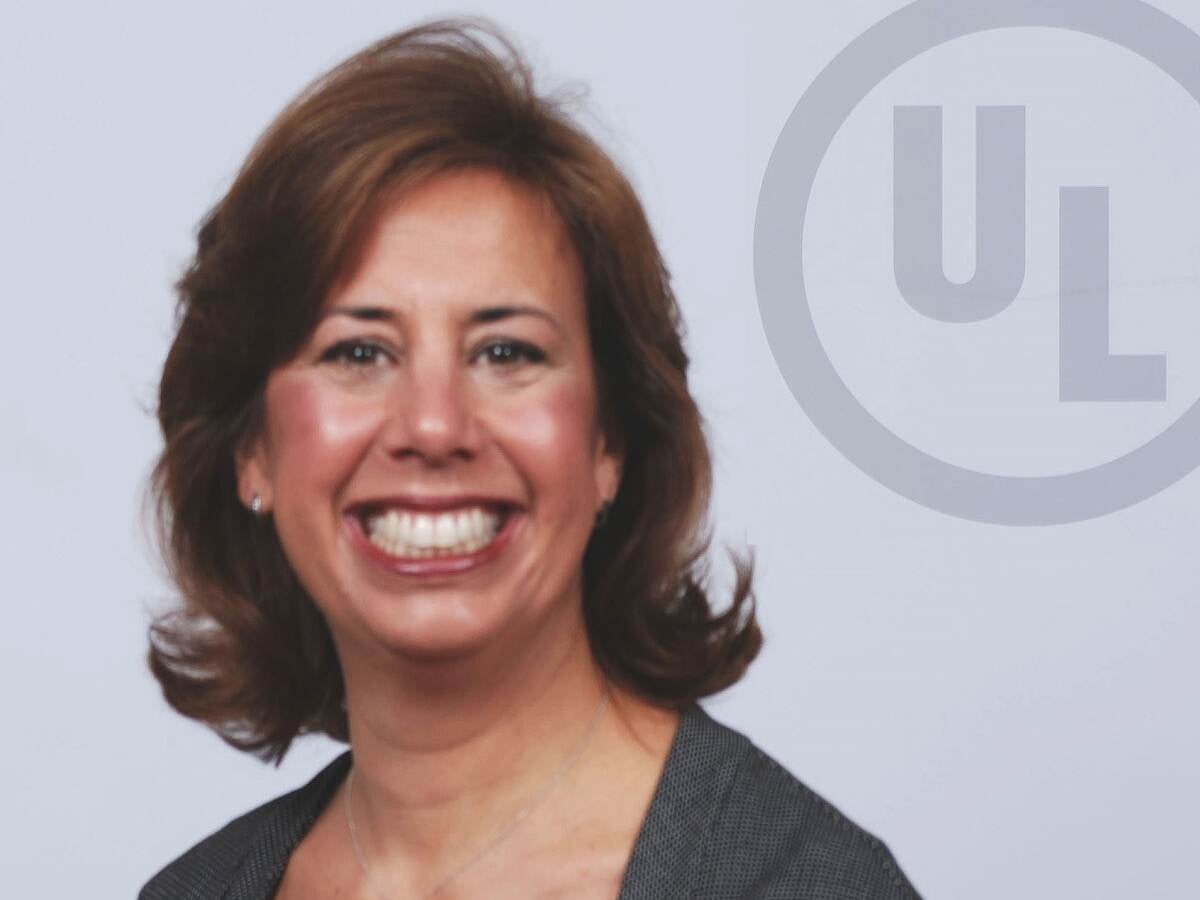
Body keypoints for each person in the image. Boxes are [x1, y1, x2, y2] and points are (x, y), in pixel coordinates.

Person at [139, 18, 921, 900]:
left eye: (506, 352)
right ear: (252, 449)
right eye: (357, 353)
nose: (433, 428)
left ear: (609, 442)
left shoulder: (796, 885)